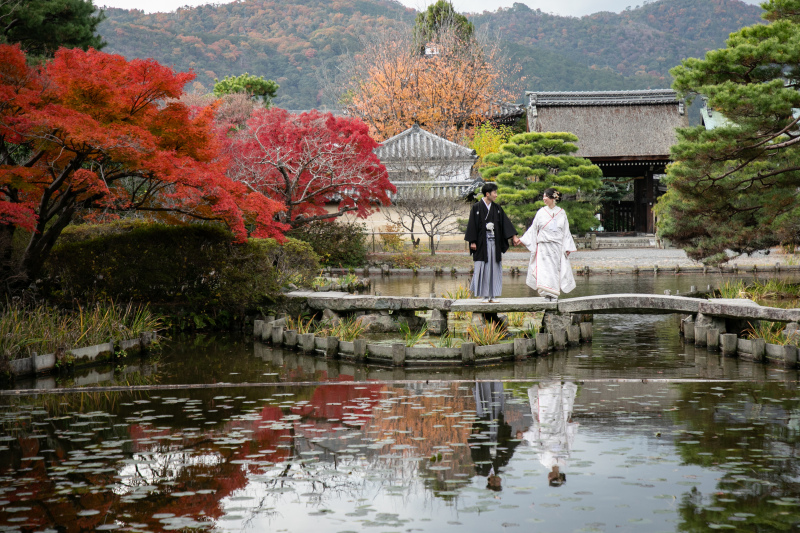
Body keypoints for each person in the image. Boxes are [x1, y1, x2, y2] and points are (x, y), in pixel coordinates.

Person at [464, 183, 521, 303]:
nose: (496, 195)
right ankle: (484, 296)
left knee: (494, 267)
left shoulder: (497, 208)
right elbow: (472, 225)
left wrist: (514, 236)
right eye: (494, 192)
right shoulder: (476, 207)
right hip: (481, 243)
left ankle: (493, 295)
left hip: (494, 243)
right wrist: (472, 241)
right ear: (487, 194)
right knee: (482, 267)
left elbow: (505, 223)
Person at [519, 187, 576, 301]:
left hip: (556, 245)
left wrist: (567, 246)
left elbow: (566, 231)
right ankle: (546, 293)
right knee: (544, 270)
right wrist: (523, 239)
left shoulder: (561, 212)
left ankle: (553, 294)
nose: (544, 198)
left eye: (546, 196)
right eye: (543, 196)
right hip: (543, 246)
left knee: (554, 269)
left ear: (552, 198)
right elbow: (533, 228)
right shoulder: (541, 212)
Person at [520, 381, 579, 487]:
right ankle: (559, 385)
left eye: (549, 479)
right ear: (558, 476)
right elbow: (569, 440)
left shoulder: (544, 461)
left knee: (547, 406)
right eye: (552, 479)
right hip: (560, 429)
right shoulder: (565, 458)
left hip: (545, 430)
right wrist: (571, 426)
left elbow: (536, 443)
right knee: (560, 405)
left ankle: (547, 387)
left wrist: (525, 435)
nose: (549, 477)